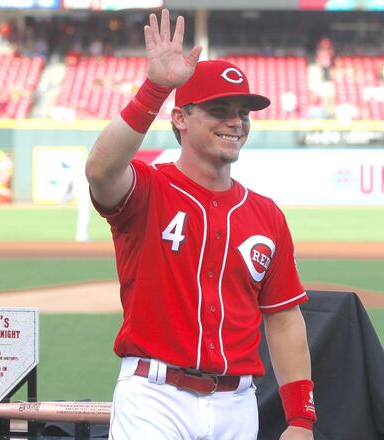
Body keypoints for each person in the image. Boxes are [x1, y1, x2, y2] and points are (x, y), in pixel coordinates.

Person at [85, 9, 316, 440]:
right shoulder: (147, 190)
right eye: (219, 110)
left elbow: (284, 319)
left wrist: (300, 419)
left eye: (243, 112)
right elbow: (100, 170)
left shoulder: (266, 214)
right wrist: (155, 88)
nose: (236, 121)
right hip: (155, 398)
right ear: (180, 119)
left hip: (237, 404)